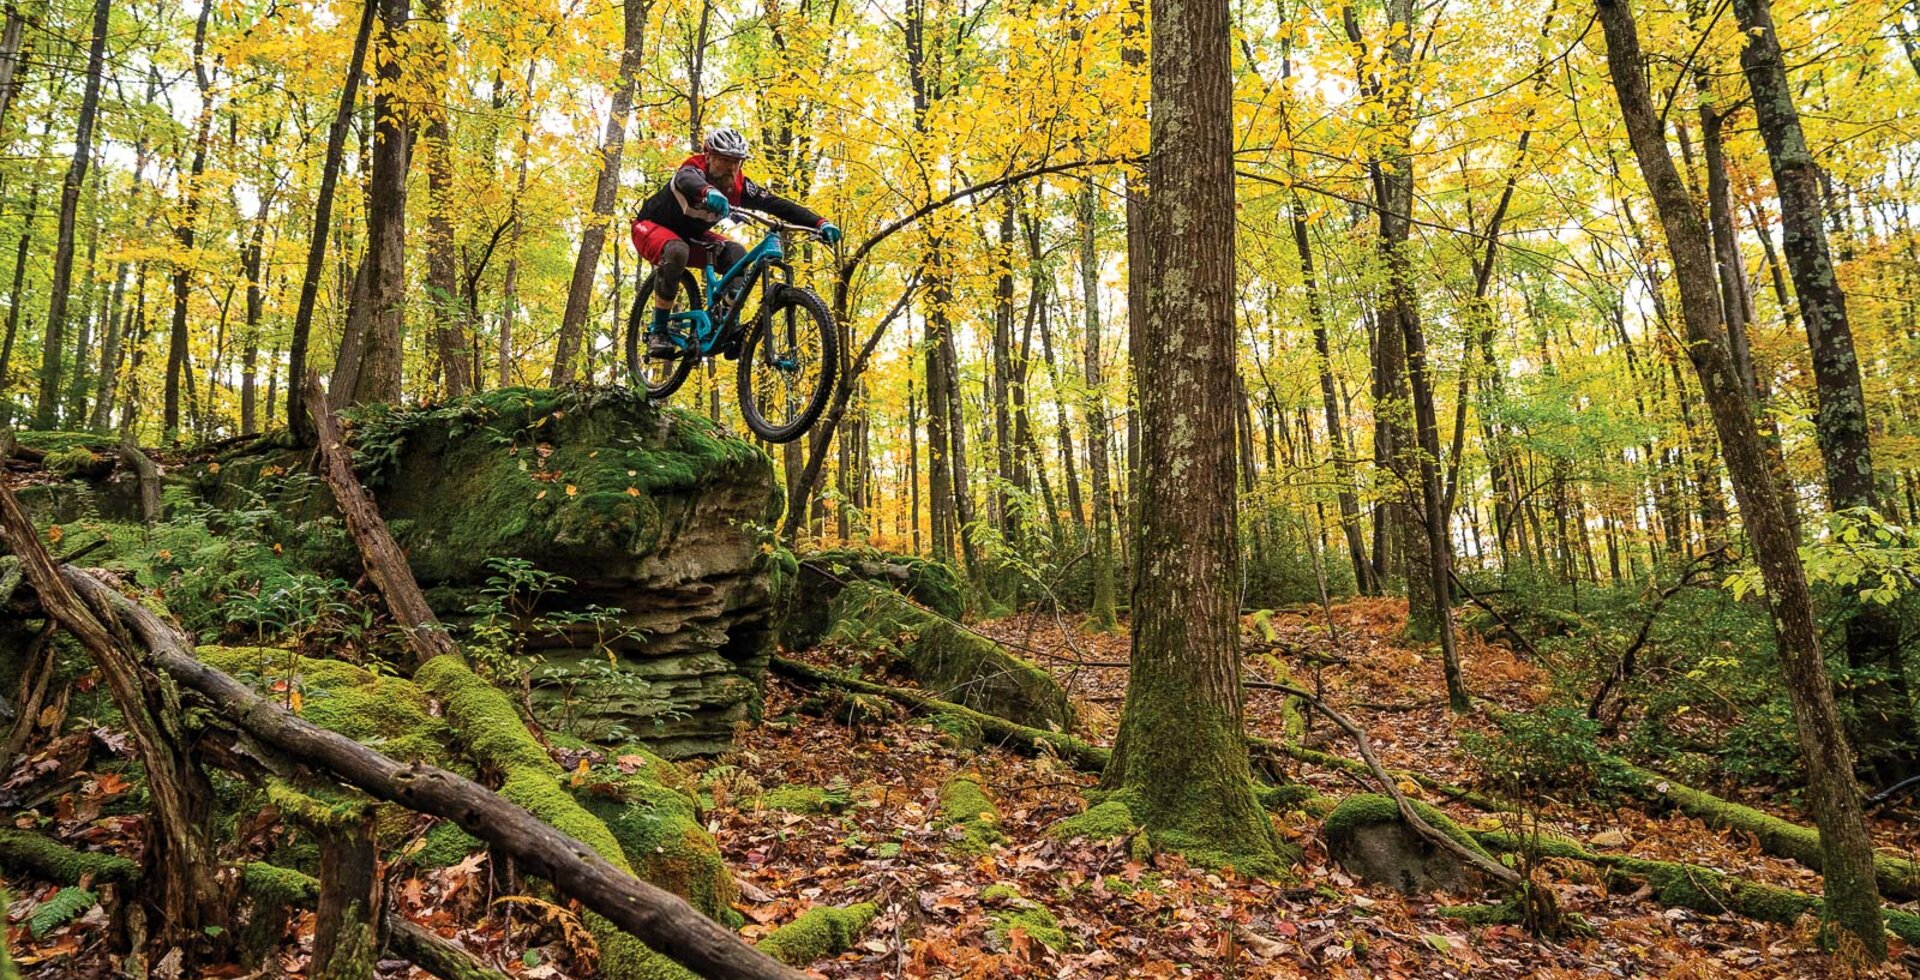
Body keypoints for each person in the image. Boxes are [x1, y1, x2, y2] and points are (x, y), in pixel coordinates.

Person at [630, 128, 842, 358]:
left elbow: (777, 204)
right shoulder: (693, 169)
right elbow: (686, 179)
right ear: (708, 155)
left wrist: (820, 223)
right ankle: (658, 332)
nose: (731, 168)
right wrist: (708, 191)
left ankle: (726, 324)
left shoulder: (739, 186)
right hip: (650, 227)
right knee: (677, 250)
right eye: (724, 160)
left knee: (737, 253)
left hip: (692, 238)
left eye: (736, 162)